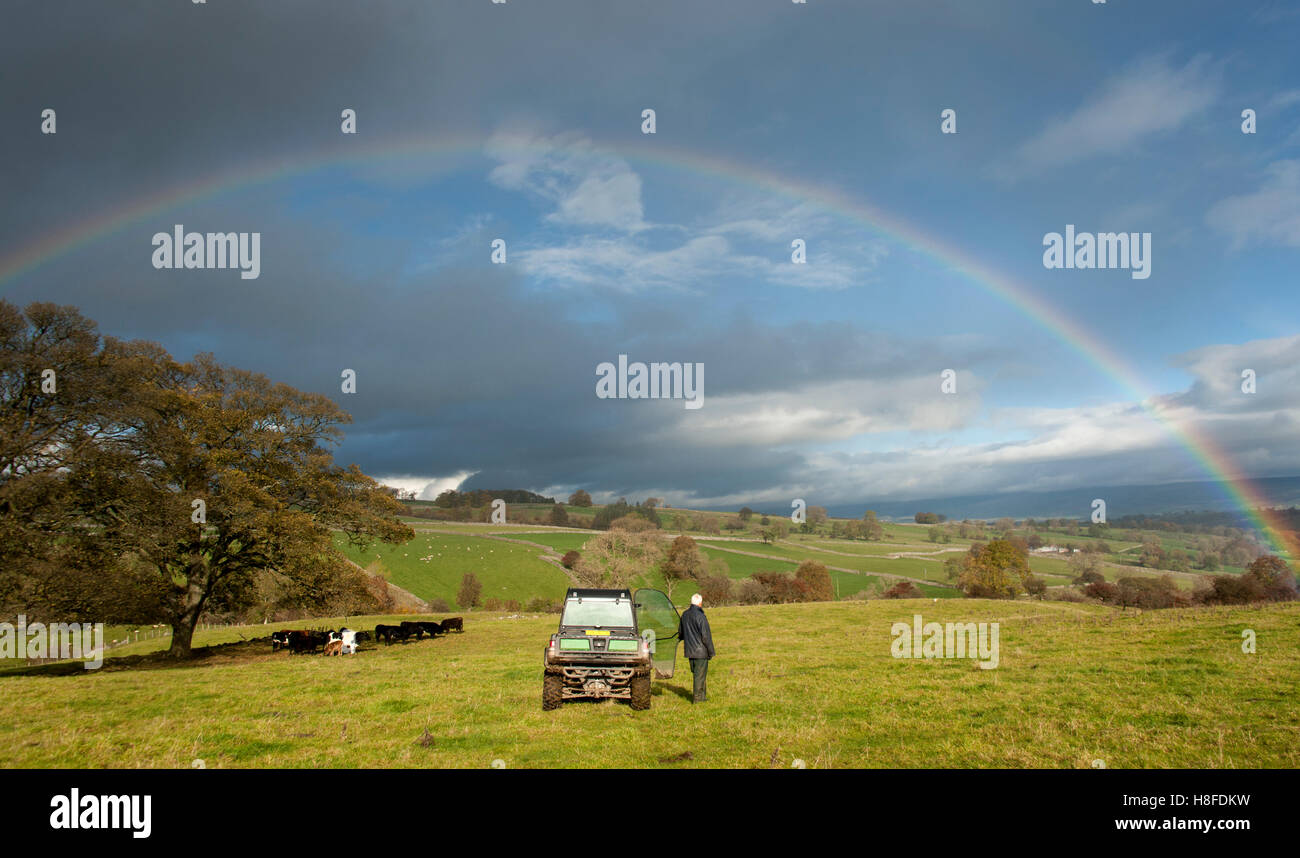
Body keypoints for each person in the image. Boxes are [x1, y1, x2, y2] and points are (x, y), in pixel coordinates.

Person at [678, 593, 716, 703]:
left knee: (698, 674)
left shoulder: (684, 615)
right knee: (699, 676)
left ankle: (702, 697)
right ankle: (698, 699)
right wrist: (711, 651)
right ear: (700, 603)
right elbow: (706, 636)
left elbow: (681, 632)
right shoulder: (701, 616)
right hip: (701, 651)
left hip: (690, 651)